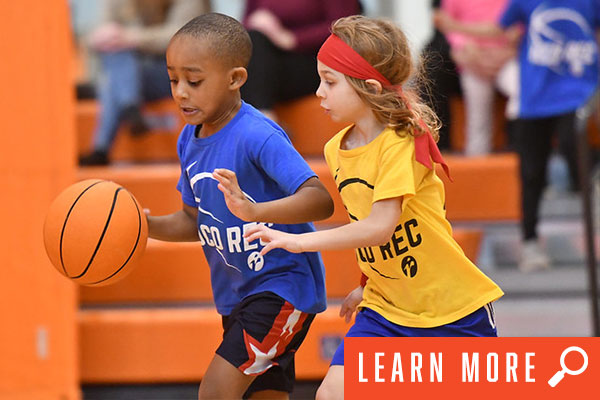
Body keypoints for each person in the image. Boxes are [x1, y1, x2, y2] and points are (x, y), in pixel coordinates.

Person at [235, 15, 504, 400]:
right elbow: (366, 225)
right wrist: (368, 284)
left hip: (452, 311)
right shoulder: (336, 149)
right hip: (387, 310)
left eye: (330, 81)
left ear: (369, 87)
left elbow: (381, 227)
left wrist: (296, 242)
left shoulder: (401, 142)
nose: (318, 93)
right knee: (331, 394)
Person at [146, 13, 334, 400]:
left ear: (235, 79)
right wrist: (141, 226)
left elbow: (320, 199)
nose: (181, 92)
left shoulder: (256, 134)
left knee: (215, 392)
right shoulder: (188, 139)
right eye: (173, 80)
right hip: (237, 295)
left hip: (281, 289)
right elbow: (191, 221)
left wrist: (256, 212)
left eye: (194, 81)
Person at [438, 0, 600, 271]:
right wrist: (454, 26)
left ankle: (589, 208)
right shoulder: (525, 1)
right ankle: (530, 242)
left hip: (579, 92)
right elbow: (498, 28)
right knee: (531, 172)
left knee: (578, 152)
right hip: (536, 97)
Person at [79, 0, 209, 166]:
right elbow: (101, 34)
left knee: (114, 77)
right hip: (132, 73)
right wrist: (99, 39)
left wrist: (130, 38)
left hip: (176, 73)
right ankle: (129, 105)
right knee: (115, 57)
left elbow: (181, 39)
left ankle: (102, 148)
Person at [240, 0, 361, 122]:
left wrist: (291, 38)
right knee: (252, 44)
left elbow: (344, 27)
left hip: (315, 62)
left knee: (255, 67)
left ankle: (263, 124)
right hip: (270, 64)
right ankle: (264, 122)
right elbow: (245, 27)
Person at [436, 0, 518, 156]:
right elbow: (448, 28)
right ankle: (477, 160)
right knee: (477, 114)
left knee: (519, 88)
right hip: (472, 62)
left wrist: (512, 48)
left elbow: (520, 24)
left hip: (507, 58)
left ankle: (518, 147)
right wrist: (464, 46)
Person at [420, 0, 462, 151]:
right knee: (431, 67)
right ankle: (438, 143)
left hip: (498, 50)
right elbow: (440, 20)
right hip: (450, 51)